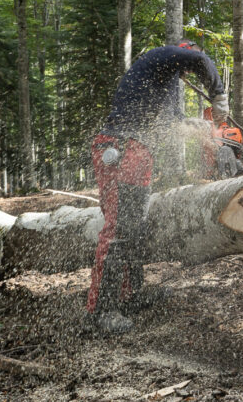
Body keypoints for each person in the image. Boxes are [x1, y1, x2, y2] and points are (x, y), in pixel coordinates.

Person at [87, 40, 228, 333]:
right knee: (119, 227)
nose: (188, 75)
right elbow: (201, 62)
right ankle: (102, 311)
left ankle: (130, 295)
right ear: (184, 54)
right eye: (188, 67)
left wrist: (202, 129)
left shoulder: (161, 85)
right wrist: (219, 95)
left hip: (136, 150)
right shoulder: (160, 57)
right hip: (121, 147)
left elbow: (174, 124)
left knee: (134, 226)